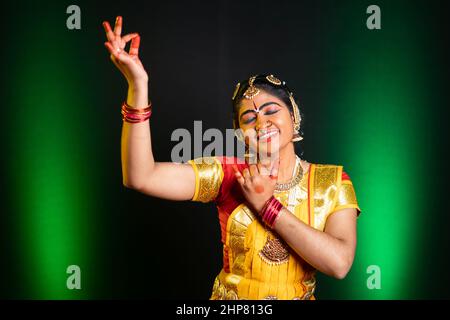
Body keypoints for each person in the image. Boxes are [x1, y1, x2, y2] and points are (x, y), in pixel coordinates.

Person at [102, 16, 361, 300]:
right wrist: (138, 85)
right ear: (240, 134)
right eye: (249, 118)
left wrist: (267, 206)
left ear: (294, 116)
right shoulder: (228, 174)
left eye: (272, 111)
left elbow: (339, 264)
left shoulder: (331, 182)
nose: (261, 123)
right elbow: (141, 176)